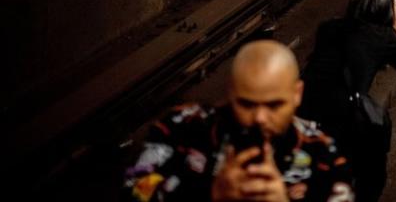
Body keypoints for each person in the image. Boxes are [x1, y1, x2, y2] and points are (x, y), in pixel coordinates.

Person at [124, 40, 353, 202]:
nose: (260, 118)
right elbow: (133, 192)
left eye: (274, 105)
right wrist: (210, 194)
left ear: (297, 94)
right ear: (230, 93)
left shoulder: (322, 154)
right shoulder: (181, 128)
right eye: (247, 104)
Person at [301, 0, 396, 202]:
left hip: (304, 109)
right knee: (371, 176)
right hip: (342, 117)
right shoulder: (383, 38)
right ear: (388, 11)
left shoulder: (328, 27)